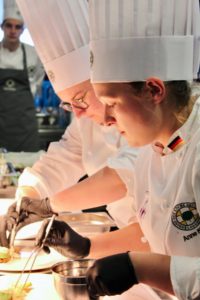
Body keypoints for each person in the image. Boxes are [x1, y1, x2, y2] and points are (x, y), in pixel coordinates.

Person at [0, 1, 163, 299]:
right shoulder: (88, 119)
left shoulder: (155, 118)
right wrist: (27, 200)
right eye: (68, 104)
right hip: (137, 255)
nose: (77, 113)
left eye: (81, 99)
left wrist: (50, 206)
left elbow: (122, 176)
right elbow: (60, 160)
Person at [81, 0, 200, 299]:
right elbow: (153, 236)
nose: (106, 120)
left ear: (154, 90)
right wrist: (87, 247)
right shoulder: (150, 154)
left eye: (112, 104)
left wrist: (140, 268)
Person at [0, 0, 44, 152]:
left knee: (27, 167)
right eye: (9, 26)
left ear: (22, 30)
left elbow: (37, 83)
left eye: (17, 27)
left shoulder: (33, 54)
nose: (13, 30)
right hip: (1, 126)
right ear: (2, 27)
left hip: (25, 126)